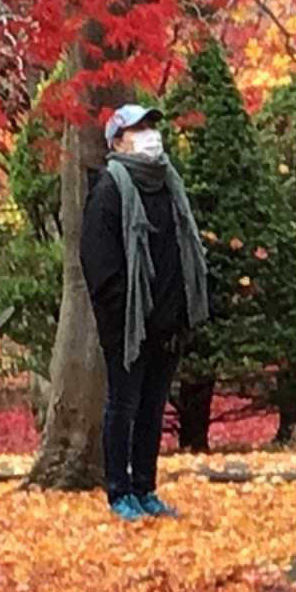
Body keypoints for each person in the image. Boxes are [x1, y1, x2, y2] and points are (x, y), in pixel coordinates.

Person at [80, 100, 210, 521]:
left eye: (152, 125)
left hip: (168, 322)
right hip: (128, 326)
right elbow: (100, 266)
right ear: (117, 140)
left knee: (153, 408)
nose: (149, 135)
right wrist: (123, 318)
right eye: (138, 128)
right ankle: (120, 492)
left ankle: (146, 488)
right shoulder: (109, 191)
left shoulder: (169, 184)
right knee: (124, 405)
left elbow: (181, 247)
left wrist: (180, 311)